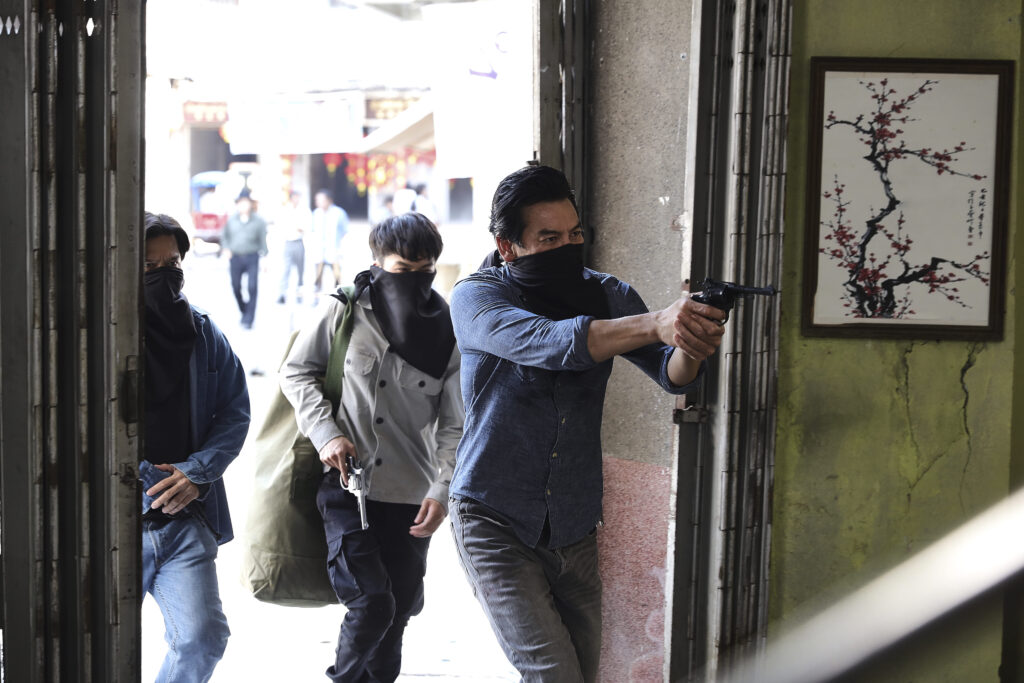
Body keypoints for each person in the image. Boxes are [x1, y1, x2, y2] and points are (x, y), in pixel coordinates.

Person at [447, 165, 726, 683]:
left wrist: (692, 339)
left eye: (574, 234)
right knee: (553, 673)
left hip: (573, 524)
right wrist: (655, 322)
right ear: (508, 247)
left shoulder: (607, 294)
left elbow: (672, 374)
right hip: (493, 517)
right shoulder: (477, 299)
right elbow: (549, 344)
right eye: (549, 239)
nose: (567, 247)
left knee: (583, 673)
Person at [280, 212, 464, 682]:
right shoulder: (343, 311)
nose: (415, 280)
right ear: (378, 264)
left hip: (410, 494)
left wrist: (442, 491)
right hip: (346, 487)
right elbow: (296, 372)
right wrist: (327, 433)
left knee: (397, 612)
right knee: (372, 604)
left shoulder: (449, 331)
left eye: (425, 271)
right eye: (403, 270)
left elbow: (455, 424)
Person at [140, 212, 251, 682]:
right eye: (149, 266)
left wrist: (197, 472)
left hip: (184, 517)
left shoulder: (202, 332)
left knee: (202, 639)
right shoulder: (94, 334)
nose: (164, 275)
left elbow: (235, 411)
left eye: (173, 264)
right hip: (108, 521)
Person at [221, 191, 268, 329]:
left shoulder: (259, 221)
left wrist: (265, 258)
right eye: (241, 202)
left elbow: (263, 241)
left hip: (252, 256)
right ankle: (244, 310)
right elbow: (224, 237)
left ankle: (249, 319)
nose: (243, 205)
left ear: (251, 204)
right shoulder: (231, 220)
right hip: (235, 257)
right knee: (236, 286)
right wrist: (226, 248)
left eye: (246, 202)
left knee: (252, 287)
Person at [310, 188, 349, 292]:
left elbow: (345, 231)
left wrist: (340, 246)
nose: (318, 203)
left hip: (334, 248)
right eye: (317, 200)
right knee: (318, 273)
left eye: (321, 200)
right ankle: (317, 292)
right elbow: (313, 230)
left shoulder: (339, 213)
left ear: (329, 200)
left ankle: (338, 293)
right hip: (320, 249)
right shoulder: (316, 213)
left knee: (337, 274)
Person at [277, 190, 311, 304]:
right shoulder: (285, 210)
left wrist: (301, 229)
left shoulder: (304, 210)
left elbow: (307, 227)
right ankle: (282, 293)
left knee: (300, 270)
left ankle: (299, 293)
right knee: (285, 269)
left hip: (299, 242)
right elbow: (281, 225)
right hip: (288, 242)